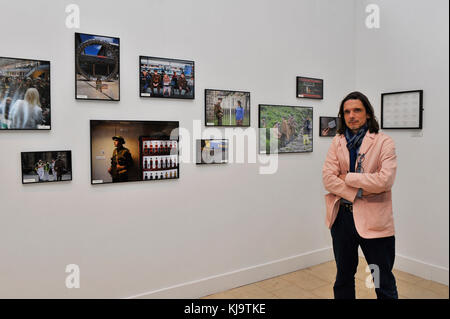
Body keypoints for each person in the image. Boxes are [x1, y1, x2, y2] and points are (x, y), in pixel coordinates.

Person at [322, 91, 398, 299]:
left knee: (382, 280)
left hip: (374, 219)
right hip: (342, 219)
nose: (351, 115)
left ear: (368, 114)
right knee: (343, 277)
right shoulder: (337, 141)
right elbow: (328, 178)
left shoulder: (384, 142)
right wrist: (360, 191)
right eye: (346, 112)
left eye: (357, 110)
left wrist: (348, 178)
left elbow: (385, 180)